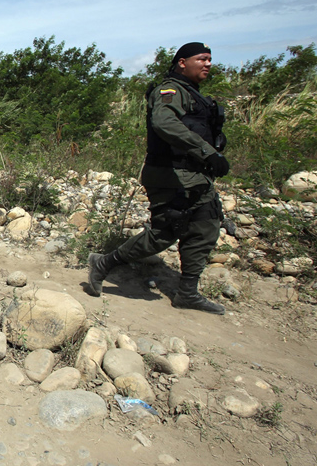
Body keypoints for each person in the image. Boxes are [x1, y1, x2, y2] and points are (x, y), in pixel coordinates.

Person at [87, 42, 229, 315]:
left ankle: (187, 292)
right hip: (171, 175)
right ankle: (104, 263)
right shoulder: (170, 90)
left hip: (197, 176)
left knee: (205, 226)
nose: (208, 64)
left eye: (210, 59)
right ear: (182, 62)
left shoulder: (193, 94)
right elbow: (164, 123)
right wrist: (207, 152)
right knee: (166, 231)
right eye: (202, 58)